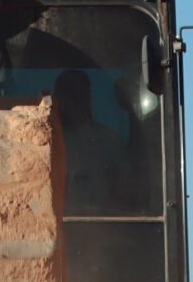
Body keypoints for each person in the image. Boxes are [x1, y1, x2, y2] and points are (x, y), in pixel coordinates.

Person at [53, 68, 134, 215]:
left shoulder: (108, 140)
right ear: (58, 99)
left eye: (78, 94)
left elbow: (127, 187)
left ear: (88, 97)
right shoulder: (46, 143)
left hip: (104, 224)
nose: (73, 101)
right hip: (55, 226)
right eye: (68, 94)